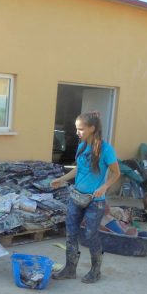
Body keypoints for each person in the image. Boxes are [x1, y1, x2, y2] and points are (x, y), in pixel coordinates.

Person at [50, 111, 120, 284]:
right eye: (76, 128)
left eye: (80, 129)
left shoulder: (106, 149)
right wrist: (62, 179)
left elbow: (115, 173)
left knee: (90, 235)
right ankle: (70, 269)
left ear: (92, 128)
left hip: (94, 202)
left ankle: (95, 271)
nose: (77, 132)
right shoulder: (81, 146)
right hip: (76, 197)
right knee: (70, 233)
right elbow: (79, 169)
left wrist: (104, 187)